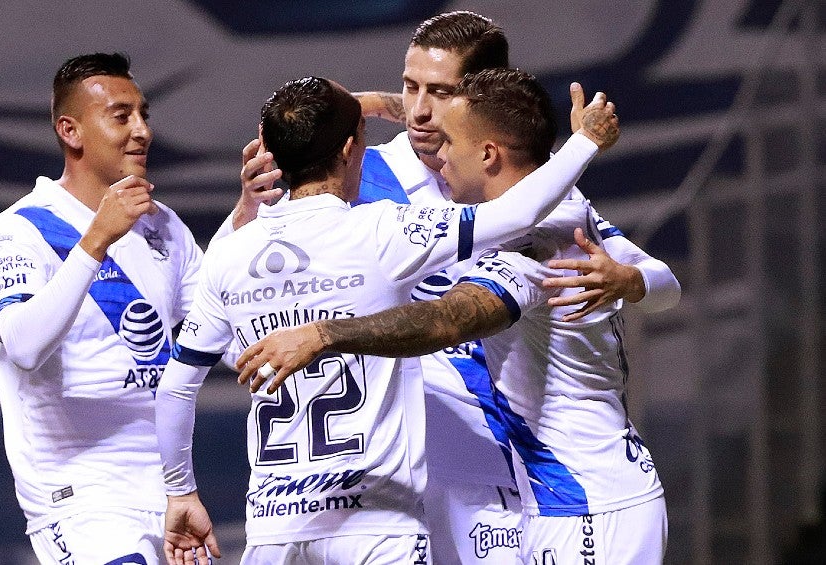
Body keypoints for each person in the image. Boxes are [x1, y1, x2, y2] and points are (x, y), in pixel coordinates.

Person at [228, 11, 680, 565]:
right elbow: (260, 268)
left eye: (439, 93)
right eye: (409, 87)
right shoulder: (362, 175)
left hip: (545, 476)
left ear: (477, 102)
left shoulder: (535, 201)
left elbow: (659, 280)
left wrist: (631, 279)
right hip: (434, 466)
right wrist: (247, 210)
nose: (419, 112)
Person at [155, 72, 617, 565]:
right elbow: (516, 213)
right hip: (377, 527)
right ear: (352, 149)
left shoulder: (228, 255)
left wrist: (180, 493)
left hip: (275, 529)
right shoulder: (383, 231)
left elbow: (176, 388)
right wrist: (585, 140)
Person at [0, 52, 209, 565]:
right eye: (122, 116)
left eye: (144, 115)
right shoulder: (21, 230)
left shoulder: (163, 225)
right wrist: (97, 239)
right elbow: (24, 346)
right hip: (82, 502)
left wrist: (245, 229)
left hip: (171, 496)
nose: (142, 131)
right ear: (71, 131)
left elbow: (223, 342)